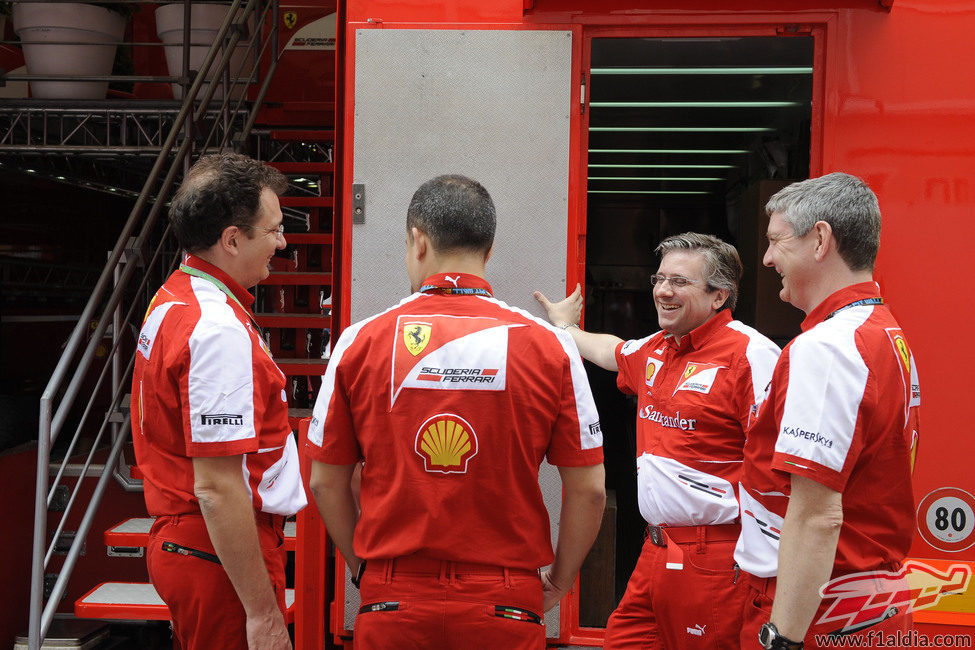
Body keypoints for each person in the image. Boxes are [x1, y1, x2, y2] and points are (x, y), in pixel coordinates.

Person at [305, 174, 606, 650]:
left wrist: (365, 570)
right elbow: (589, 491)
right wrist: (559, 582)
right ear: (488, 250)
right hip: (506, 605)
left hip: (393, 601)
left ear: (417, 241)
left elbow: (325, 481)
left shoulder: (358, 341)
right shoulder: (550, 345)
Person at [535, 232, 780, 649]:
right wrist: (564, 326)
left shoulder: (752, 355)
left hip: (720, 557)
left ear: (719, 296)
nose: (664, 291)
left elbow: (778, 473)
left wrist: (771, 573)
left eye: (680, 282)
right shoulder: (658, 348)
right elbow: (609, 352)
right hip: (655, 550)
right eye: (660, 279)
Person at [735, 173, 920, 649]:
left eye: (776, 241)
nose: (767, 259)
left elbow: (817, 515)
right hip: (863, 600)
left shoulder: (828, 347)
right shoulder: (880, 328)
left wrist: (784, 637)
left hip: (819, 609)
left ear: (819, 239)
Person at [131, 153, 306, 650]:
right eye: (273, 230)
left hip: (196, 545)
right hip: (218, 548)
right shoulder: (216, 327)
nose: (282, 241)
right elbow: (217, 488)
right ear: (232, 239)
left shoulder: (176, 294)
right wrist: (264, 615)